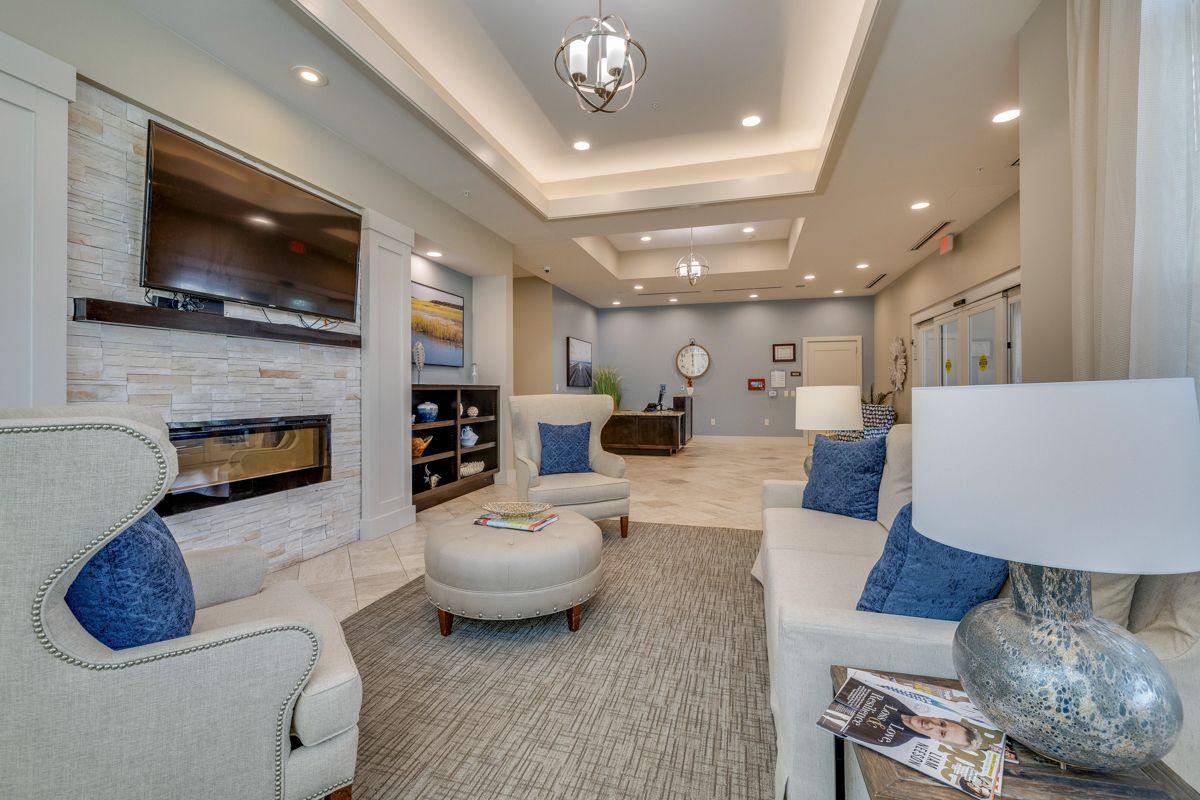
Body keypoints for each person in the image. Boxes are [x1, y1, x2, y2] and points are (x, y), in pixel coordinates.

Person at [835, 678, 981, 749]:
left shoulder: (894, 740)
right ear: (940, 718)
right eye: (942, 723)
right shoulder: (903, 700)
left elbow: (840, 724)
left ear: (938, 740)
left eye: (941, 733)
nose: (931, 724)